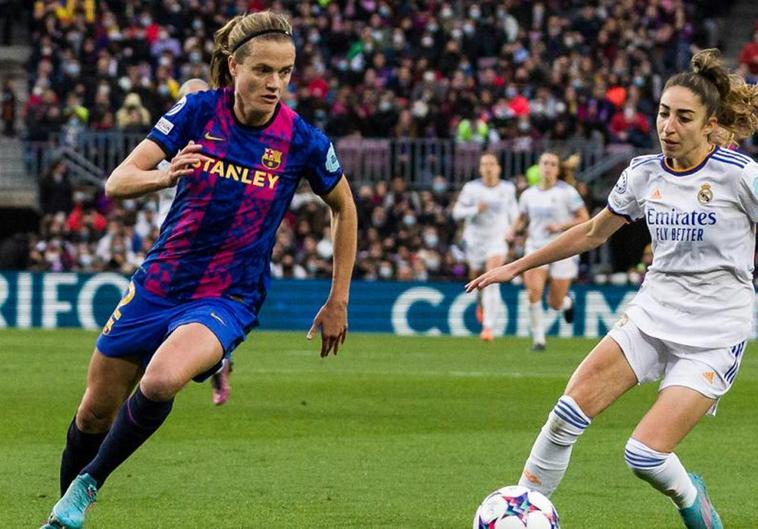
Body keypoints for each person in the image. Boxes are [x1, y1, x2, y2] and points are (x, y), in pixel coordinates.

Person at [40, 11, 357, 529]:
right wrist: (166, 175)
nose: (275, 83)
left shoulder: (303, 141)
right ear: (234, 67)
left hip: (227, 295)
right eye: (263, 70)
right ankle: (64, 516)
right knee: (94, 411)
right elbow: (118, 182)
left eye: (285, 71)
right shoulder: (195, 111)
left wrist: (337, 297)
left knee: (162, 378)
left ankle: (86, 488)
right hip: (160, 282)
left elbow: (344, 207)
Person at [467, 48, 758, 528]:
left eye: (684, 117)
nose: (669, 126)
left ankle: (695, 503)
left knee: (643, 455)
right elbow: (591, 232)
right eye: (664, 113)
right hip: (651, 316)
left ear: (710, 125)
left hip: (714, 333)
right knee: (564, 416)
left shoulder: (739, 177)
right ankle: (519, 515)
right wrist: (515, 266)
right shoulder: (643, 173)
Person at [153, 77, 232, 406]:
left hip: (208, 255)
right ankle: (217, 364)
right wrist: (167, 171)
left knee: (196, 323)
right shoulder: (163, 150)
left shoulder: (226, 151)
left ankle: (213, 365)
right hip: (166, 252)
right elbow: (130, 177)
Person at [514, 151, 588, 351]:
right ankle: (539, 340)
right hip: (536, 247)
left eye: (552, 164)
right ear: (539, 167)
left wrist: (561, 226)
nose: (548, 167)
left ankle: (566, 303)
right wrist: (513, 230)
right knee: (534, 292)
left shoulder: (567, 192)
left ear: (558, 169)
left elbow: (584, 218)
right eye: (544, 163)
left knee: (554, 302)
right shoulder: (528, 194)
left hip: (563, 248)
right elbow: (521, 218)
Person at [452, 152, 518, 341]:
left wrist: (512, 230)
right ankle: (480, 303)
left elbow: (514, 212)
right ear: (480, 168)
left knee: (493, 275)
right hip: (474, 241)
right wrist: (475, 210)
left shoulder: (507, 188)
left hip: (497, 239)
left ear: (498, 168)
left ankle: (488, 328)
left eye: (491, 164)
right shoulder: (471, 188)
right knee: (476, 279)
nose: (488, 167)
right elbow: (457, 213)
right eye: (484, 164)